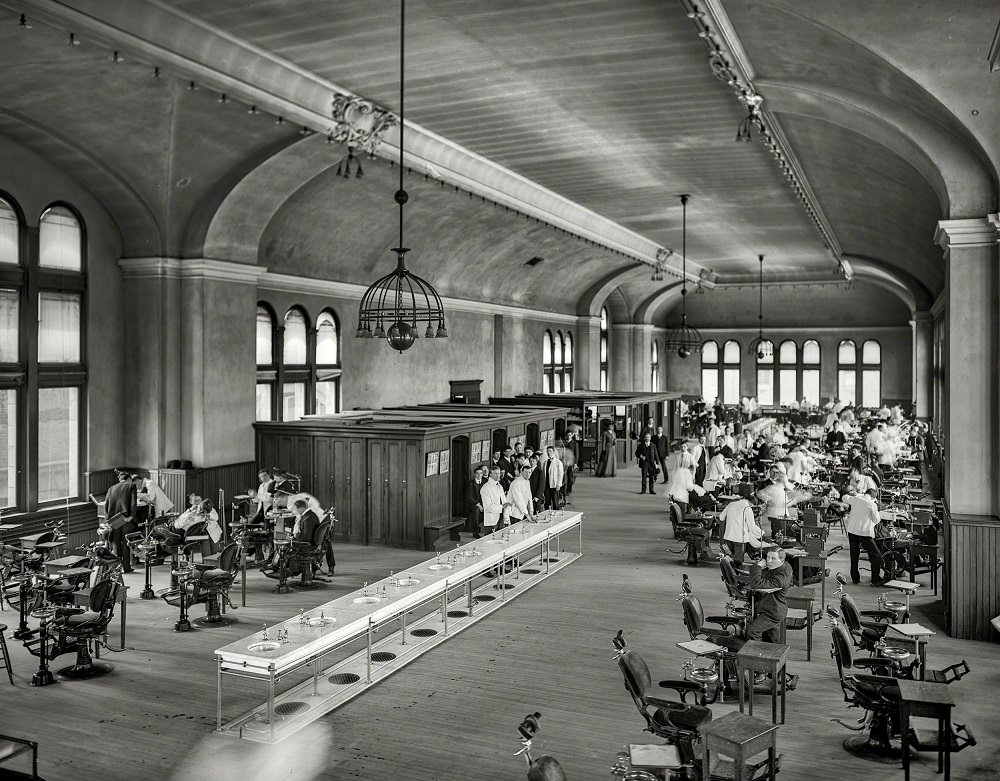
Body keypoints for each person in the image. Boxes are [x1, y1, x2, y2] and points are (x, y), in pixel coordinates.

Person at [745, 546, 793, 643]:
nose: (769, 561)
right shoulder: (784, 565)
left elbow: (755, 584)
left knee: (752, 632)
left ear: (781, 560)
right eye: (768, 557)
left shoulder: (780, 578)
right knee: (769, 638)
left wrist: (758, 566)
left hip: (773, 612)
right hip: (769, 606)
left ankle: (757, 655)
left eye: (773, 558)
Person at [837, 487, 883, 585]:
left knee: (854, 555)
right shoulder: (872, 504)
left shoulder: (856, 499)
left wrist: (853, 493)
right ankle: (875, 578)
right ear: (872, 497)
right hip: (864, 532)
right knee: (876, 555)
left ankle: (855, 578)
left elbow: (844, 497)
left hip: (852, 531)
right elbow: (876, 520)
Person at [105, 470, 137, 573]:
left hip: (114, 519)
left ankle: (117, 567)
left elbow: (106, 505)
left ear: (120, 479)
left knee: (116, 543)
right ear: (128, 479)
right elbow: (133, 502)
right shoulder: (131, 485)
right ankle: (126, 567)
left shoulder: (111, 489)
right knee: (126, 543)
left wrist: (108, 520)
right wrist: (131, 516)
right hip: (125, 518)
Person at [721, 495, 764, 564]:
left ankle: (728, 572)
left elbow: (721, 517)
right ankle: (736, 574)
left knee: (729, 558)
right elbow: (751, 527)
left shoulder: (731, 504)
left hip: (728, 536)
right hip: (740, 539)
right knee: (738, 561)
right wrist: (761, 532)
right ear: (751, 503)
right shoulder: (747, 508)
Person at [480, 467, 510, 533]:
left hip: (502, 518)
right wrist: (502, 506)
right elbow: (488, 507)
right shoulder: (486, 488)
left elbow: (504, 501)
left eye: (499, 473)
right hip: (492, 520)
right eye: (495, 473)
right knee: (491, 539)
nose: (498, 475)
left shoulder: (500, 486)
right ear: (490, 474)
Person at [467, 465, 486, 538]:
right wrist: (479, 505)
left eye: (481, 473)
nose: (479, 475)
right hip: (474, 504)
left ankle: (490, 529)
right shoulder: (471, 484)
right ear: (474, 474)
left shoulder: (485, 481)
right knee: (476, 511)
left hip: (484, 502)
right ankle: (476, 532)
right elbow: (469, 497)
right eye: (477, 473)